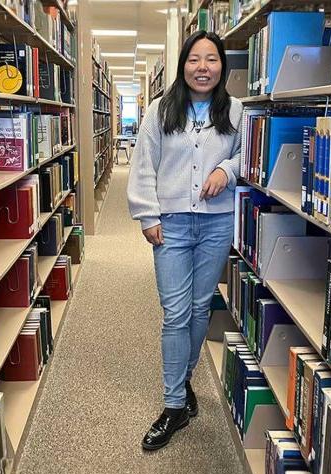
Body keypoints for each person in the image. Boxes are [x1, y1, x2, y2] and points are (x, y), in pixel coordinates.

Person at [126, 30, 242, 451]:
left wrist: (225, 170)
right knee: (175, 313)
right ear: (183, 65)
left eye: (212, 60)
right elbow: (143, 166)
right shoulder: (160, 111)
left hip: (216, 224)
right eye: (195, 59)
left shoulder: (238, 112)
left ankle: (183, 382)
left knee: (198, 309)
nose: (203, 68)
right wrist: (147, 214)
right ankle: (174, 403)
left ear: (222, 67)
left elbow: (252, 154)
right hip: (170, 224)